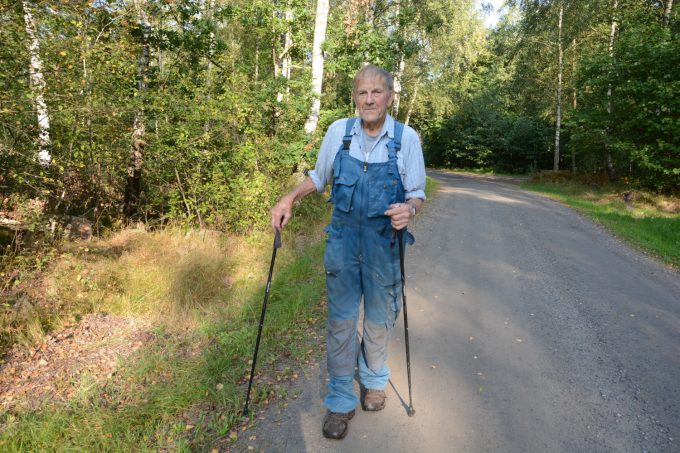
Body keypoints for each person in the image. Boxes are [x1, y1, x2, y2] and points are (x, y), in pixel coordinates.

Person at [270, 64, 426, 440]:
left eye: (377, 92)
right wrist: (289, 197)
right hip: (342, 242)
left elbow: (417, 193)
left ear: (390, 96)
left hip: (384, 243)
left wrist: (410, 209)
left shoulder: (407, 139)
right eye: (362, 93)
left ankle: (374, 380)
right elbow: (318, 178)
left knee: (379, 317)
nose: (369, 99)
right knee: (340, 322)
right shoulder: (338, 133)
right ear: (354, 98)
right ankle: (340, 401)